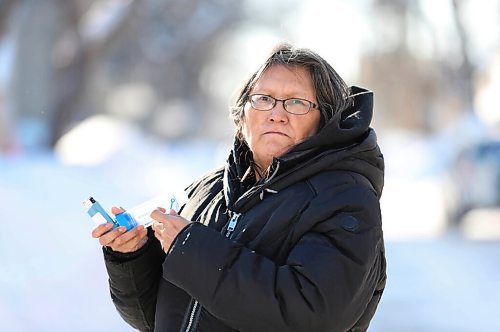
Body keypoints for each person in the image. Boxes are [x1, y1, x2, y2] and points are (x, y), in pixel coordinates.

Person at [92, 43, 386, 332]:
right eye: (264, 98)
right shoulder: (206, 191)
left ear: (326, 119)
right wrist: (132, 257)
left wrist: (193, 251)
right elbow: (159, 319)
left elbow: (311, 316)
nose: (277, 113)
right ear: (242, 113)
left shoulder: (346, 199)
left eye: (297, 102)